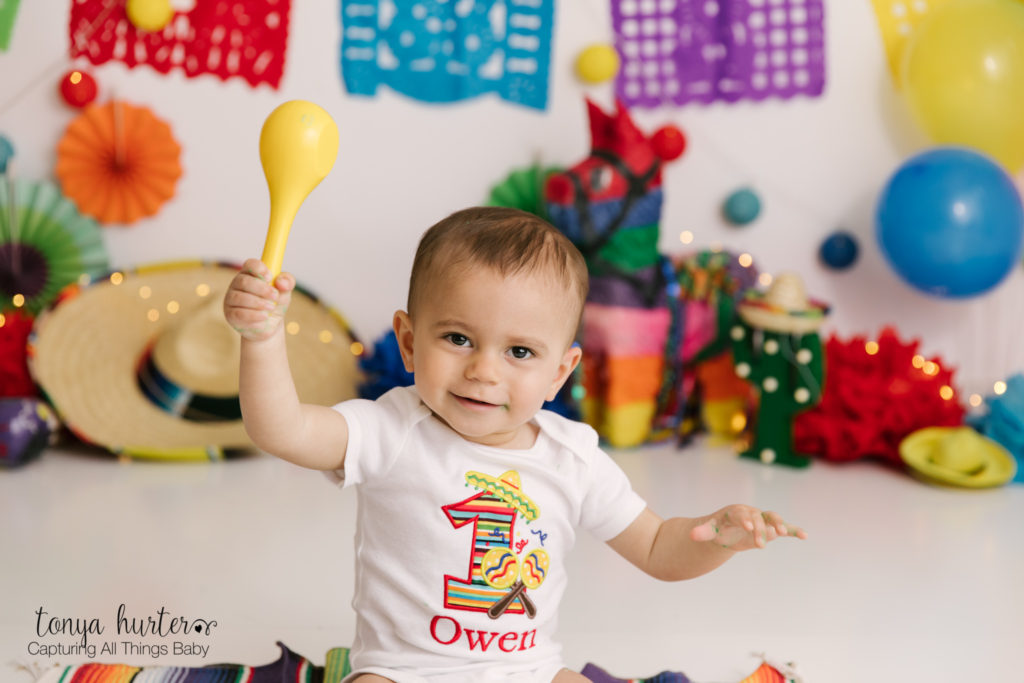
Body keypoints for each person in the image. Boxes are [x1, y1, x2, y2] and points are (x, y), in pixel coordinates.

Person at [224, 207, 807, 683]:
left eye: (520, 352)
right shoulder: (389, 429)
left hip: (526, 670)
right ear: (407, 341)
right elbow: (281, 430)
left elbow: (657, 547)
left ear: (561, 370)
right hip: (404, 671)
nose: (483, 371)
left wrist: (717, 537)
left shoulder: (571, 457)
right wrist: (262, 338)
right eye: (457, 338)